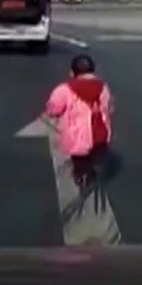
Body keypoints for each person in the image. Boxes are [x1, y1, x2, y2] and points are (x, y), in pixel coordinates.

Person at [44, 53, 114, 189]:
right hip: (101, 134)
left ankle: (81, 176)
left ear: (72, 72)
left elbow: (54, 108)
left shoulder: (64, 89)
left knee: (79, 161)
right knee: (96, 155)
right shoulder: (104, 88)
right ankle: (93, 170)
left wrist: (52, 113)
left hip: (77, 138)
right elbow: (109, 107)